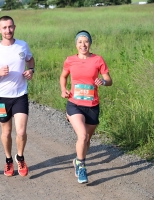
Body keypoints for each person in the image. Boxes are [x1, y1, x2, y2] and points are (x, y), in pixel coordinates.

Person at [0, 16, 35, 177]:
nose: (8, 30)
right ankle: (8, 160)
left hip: (20, 95)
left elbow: (31, 60)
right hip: (2, 97)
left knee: (21, 132)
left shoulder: (22, 45)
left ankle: (20, 157)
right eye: (4, 27)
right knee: (6, 133)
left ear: (14, 27)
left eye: (10, 27)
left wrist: (31, 71)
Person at [60, 30, 112, 184]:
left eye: (86, 41)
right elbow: (63, 76)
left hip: (92, 105)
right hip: (74, 104)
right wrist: (63, 89)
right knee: (82, 136)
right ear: (76, 44)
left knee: (87, 139)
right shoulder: (70, 60)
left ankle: (77, 159)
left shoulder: (98, 60)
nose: (83, 45)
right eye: (80, 42)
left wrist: (103, 82)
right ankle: (82, 166)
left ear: (90, 43)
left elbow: (109, 80)